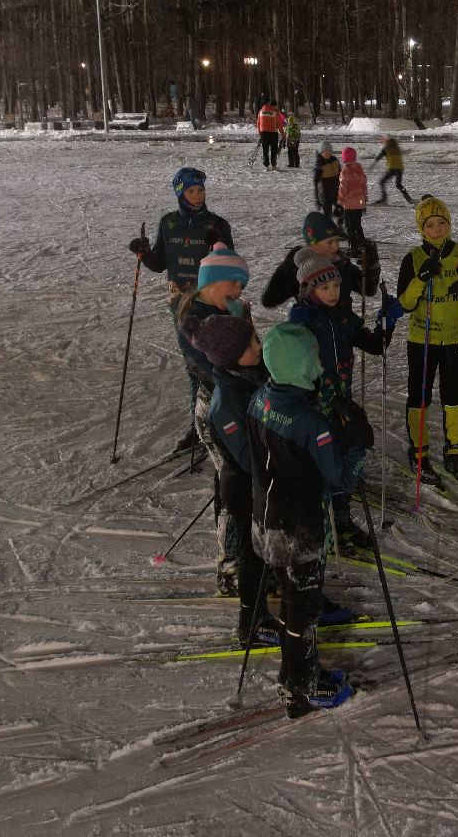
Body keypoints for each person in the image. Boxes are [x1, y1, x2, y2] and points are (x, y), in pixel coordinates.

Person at [249, 323, 373, 718]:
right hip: (298, 530)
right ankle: (299, 685)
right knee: (301, 610)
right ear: (303, 369)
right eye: (315, 360)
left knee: (292, 598)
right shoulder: (310, 424)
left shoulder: (259, 399)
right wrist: (357, 442)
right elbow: (341, 478)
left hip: (264, 520)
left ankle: (299, 674)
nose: (320, 366)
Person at [288, 250, 394, 553]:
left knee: (344, 457)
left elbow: (375, 346)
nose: (333, 292)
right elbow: (285, 361)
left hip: (341, 403)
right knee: (319, 465)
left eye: (335, 285)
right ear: (309, 290)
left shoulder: (345, 317)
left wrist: (387, 321)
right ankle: (319, 523)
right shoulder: (305, 320)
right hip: (312, 405)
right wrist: (294, 329)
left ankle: (342, 520)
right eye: (325, 288)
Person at [127, 166, 235, 448]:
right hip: (180, 304)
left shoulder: (217, 224)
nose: (198, 196)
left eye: (201, 190)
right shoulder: (168, 223)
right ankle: (199, 423)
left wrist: (219, 246)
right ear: (180, 193)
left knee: (214, 363)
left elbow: (231, 265)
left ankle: (222, 420)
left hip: (210, 301)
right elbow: (160, 263)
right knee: (194, 367)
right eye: (191, 190)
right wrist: (143, 252)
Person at [184, 314, 276, 640]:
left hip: (262, 481)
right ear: (231, 355)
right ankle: (251, 621)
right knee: (253, 555)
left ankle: (266, 606)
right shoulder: (225, 405)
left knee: (266, 551)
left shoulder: (251, 375)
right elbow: (249, 459)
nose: (259, 345)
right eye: (252, 343)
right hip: (245, 487)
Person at [174, 243, 256, 596]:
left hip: (240, 401)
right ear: (214, 281)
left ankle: (251, 554)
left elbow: (251, 350)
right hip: (216, 410)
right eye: (234, 284)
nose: (239, 292)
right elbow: (211, 366)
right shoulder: (192, 321)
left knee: (246, 481)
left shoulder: (235, 308)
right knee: (232, 485)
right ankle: (231, 564)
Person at [396, 195, 458, 484]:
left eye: (442, 223)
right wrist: (421, 278)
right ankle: (419, 451)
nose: (437, 230)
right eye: (431, 225)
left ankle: (455, 452)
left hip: (455, 337)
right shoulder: (412, 258)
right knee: (419, 395)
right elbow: (406, 303)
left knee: (454, 395)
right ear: (422, 228)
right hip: (422, 338)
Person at [260, 212, 376, 309]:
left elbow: (369, 289)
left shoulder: (342, 264)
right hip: (313, 334)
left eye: (337, 241)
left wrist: (372, 264)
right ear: (312, 244)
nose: (336, 247)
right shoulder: (301, 270)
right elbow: (269, 301)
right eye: (329, 242)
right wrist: (287, 266)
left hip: (345, 331)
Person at [336, 147, 369, 255]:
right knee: (357, 225)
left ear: (344, 158)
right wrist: (365, 200)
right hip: (359, 203)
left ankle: (354, 248)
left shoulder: (345, 171)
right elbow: (364, 186)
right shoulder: (360, 169)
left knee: (350, 227)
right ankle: (363, 244)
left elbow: (343, 189)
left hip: (349, 205)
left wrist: (340, 202)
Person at [372, 135, 413, 204]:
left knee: (382, 182)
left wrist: (373, 164)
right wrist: (408, 151)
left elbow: (378, 157)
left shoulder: (386, 149)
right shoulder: (397, 148)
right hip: (399, 169)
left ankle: (384, 198)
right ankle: (408, 198)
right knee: (398, 185)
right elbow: (404, 152)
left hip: (391, 169)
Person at [313, 142, 341, 215]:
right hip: (324, 194)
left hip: (336, 191)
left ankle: (339, 224)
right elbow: (315, 183)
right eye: (325, 151)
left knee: (341, 210)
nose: (327, 153)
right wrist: (317, 200)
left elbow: (341, 175)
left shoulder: (335, 160)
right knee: (328, 214)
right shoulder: (319, 165)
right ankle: (329, 224)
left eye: (329, 151)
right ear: (320, 152)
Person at [256, 103, 284, 170]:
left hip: (264, 133)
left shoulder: (261, 111)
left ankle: (266, 166)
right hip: (273, 133)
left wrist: (260, 133)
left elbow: (258, 123)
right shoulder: (275, 112)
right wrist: (283, 135)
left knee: (265, 150)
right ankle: (273, 165)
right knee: (274, 150)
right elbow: (279, 124)